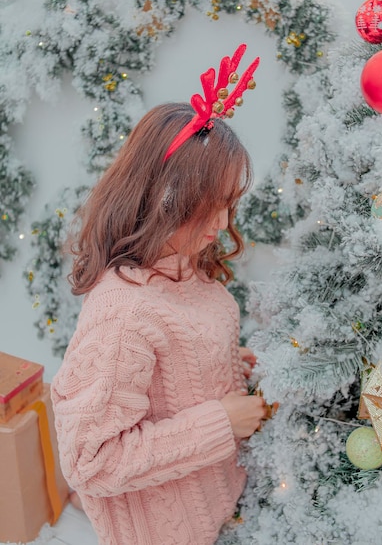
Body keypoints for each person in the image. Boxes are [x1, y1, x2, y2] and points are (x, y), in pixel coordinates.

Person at [51, 45, 269, 545]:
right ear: (164, 202)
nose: (222, 224)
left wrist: (223, 363)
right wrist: (221, 421)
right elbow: (91, 460)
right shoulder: (123, 315)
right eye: (208, 207)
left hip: (218, 508)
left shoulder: (184, 267)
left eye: (230, 204)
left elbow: (165, 373)